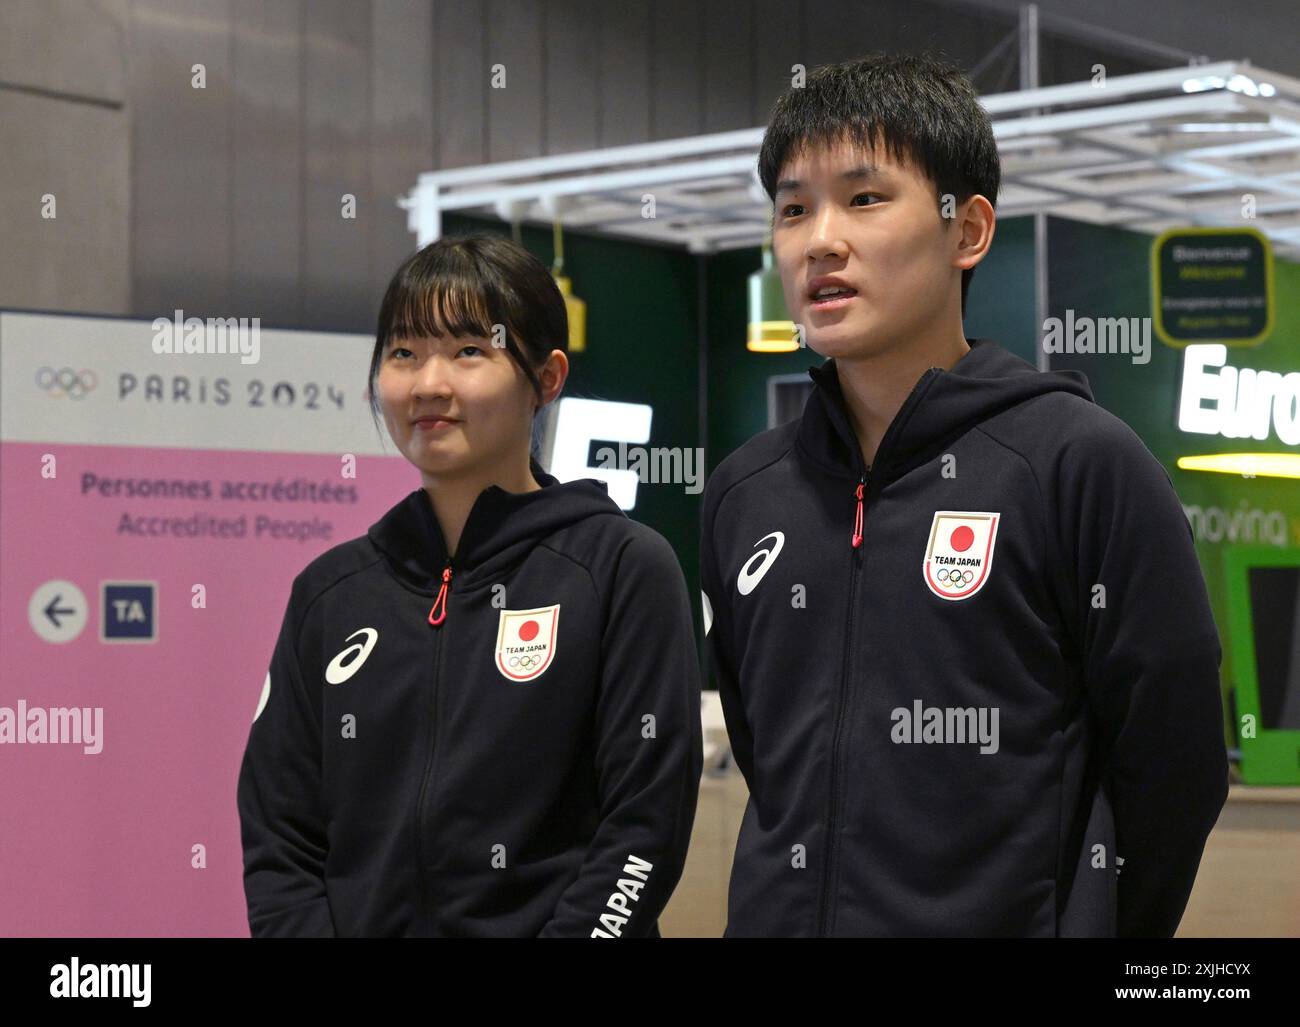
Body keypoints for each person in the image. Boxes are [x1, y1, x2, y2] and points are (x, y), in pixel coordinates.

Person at [699, 53, 1228, 937]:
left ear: (967, 230)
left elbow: (1174, 765)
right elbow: (771, 757)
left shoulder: (1077, 462)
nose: (820, 239)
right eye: (793, 208)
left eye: (865, 199)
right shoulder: (745, 492)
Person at [238, 233, 703, 937]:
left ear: (545, 378)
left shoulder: (621, 568)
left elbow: (644, 825)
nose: (428, 383)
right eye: (402, 352)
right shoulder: (330, 595)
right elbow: (280, 836)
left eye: (467, 350)